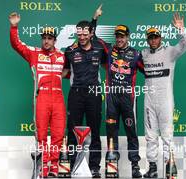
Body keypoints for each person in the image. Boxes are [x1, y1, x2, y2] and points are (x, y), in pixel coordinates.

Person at [9, 12, 66, 178]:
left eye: (50, 38)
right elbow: (17, 45)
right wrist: (14, 27)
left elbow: (74, 69)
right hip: (42, 98)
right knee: (41, 135)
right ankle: (43, 166)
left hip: (58, 98)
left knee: (58, 135)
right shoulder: (34, 53)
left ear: (55, 40)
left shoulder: (62, 56)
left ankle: (54, 167)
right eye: (44, 38)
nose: (46, 41)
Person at [62, 5, 108, 178]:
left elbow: (107, 67)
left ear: (90, 34)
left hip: (95, 93)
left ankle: (94, 167)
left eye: (84, 34)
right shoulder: (70, 51)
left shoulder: (99, 48)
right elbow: (65, 72)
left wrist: (95, 18)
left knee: (95, 130)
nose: (81, 37)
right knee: (73, 130)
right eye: (78, 34)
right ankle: (72, 164)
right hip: (76, 92)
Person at [142, 13, 186, 178]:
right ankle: (153, 168)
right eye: (151, 38)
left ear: (160, 38)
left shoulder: (170, 52)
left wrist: (181, 30)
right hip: (149, 100)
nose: (153, 40)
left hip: (165, 100)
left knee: (167, 135)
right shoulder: (144, 54)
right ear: (148, 40)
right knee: (150, 136)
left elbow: (185, 44)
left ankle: (170, 167)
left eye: (156, 37)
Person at [104, 24, 144, 178]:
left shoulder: (135, 54)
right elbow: (92, 39)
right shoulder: (109, 51)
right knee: (111, 131)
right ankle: (112, 163)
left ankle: (135, 165)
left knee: (131, 132)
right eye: (117, 36)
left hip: (128, 98)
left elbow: (148, 71)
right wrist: (94, 19)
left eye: (122, 36)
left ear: (127, 37)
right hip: (112, 98)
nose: (119, 39)